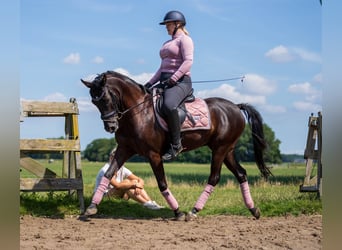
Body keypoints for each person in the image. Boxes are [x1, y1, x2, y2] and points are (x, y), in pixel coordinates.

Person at [145, 10, 194, 161]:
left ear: (177, 24)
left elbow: (188, 62)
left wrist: (174, 78)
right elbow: (162, 68)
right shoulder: (167, 43)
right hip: (165, 80)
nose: (166, 26)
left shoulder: (185, 40)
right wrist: (149, 83)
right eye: (166, 24)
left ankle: (176, 144)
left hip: (181, 82)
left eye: (168, 24)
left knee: (169, 105)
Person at [94, 150, 163, 210]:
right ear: (111, 158)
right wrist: (134, 184)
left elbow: (140, 179)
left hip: (118, 194)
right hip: (104, 197)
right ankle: (146, 204)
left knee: (133, 182)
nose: (122, 160)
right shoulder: (106, 169)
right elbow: (117, 186)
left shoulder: (122, 168)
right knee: (127, 183)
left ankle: (150, 203)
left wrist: (138, 185)